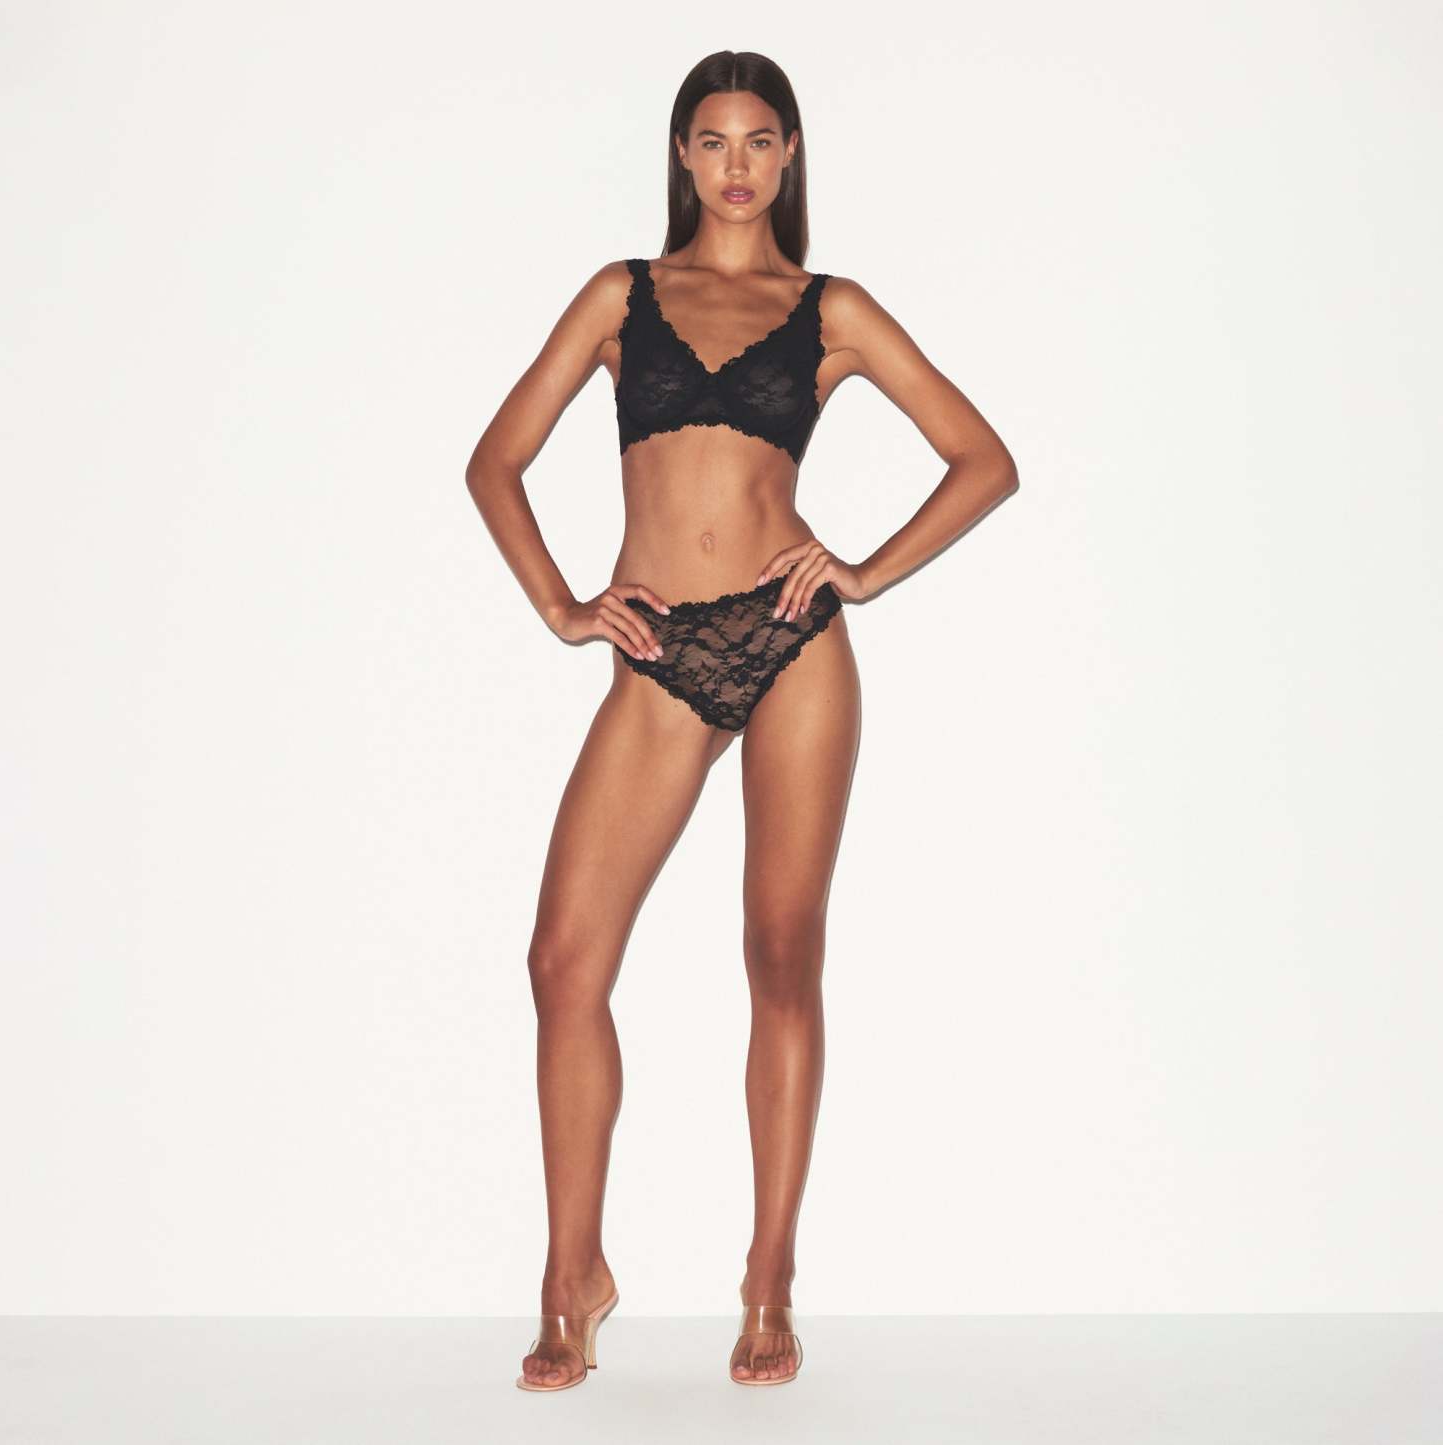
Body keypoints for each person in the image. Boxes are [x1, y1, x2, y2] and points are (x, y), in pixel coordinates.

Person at [465, 49, 1019, 1393]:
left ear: (789, 155)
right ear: (680, 154)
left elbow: (984, 460)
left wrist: (863, 570)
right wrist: (563, 605)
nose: (735, 165)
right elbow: (495, 460)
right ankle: (570, 1274)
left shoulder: (830, 309)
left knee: (780, 952)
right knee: (562, 963)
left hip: (790, 644)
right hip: (661, 653)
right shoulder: (622, 296)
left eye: (759, 141)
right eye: (711, 140)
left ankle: (769, 1278)